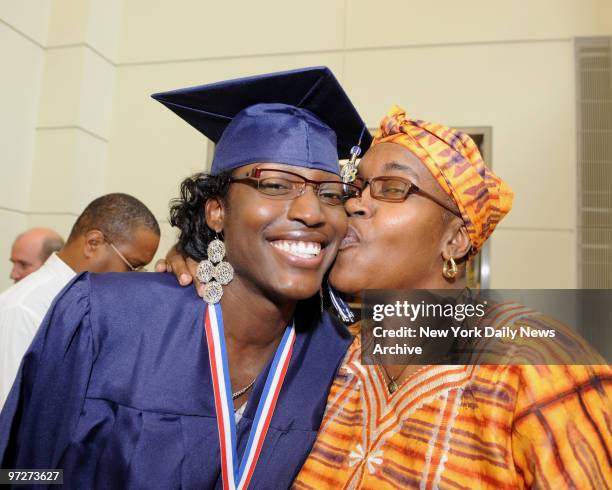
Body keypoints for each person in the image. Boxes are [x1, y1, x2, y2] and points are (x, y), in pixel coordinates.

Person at [165, 107, 611, 489]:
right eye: (354, 188)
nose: (355, 205)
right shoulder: (335, 353)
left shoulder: (539, 365)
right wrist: (200, 261)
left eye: (394, 189)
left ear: (455, 240)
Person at [0, 67, 371, 489]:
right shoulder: (104, 316)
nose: (312, 211)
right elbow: (22, 468)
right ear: (217, 211)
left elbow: (456, 342)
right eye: (274, 185)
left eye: (330, 194)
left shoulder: (340, 354)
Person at [0, 193, 160, 407]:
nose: (132, 278)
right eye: (132, 265)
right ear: (93, 243)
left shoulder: (94, 303)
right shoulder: (24, 309)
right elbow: (9, 417)